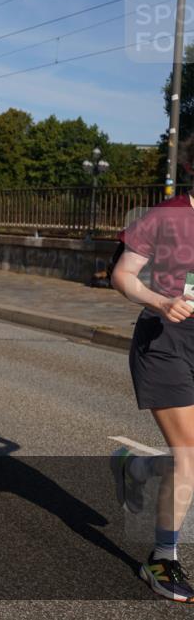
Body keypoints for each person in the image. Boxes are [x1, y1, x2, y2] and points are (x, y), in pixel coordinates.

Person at [110, 183, 194, 603]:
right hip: (165, 342)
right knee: (190, 454)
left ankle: (138, 467)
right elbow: (121, 275)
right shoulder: (167, 216)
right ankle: (162, 560)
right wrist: (160, 302)